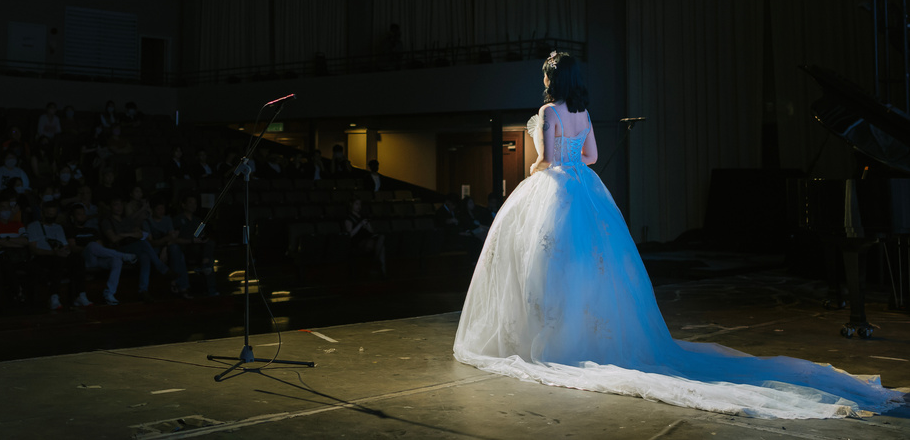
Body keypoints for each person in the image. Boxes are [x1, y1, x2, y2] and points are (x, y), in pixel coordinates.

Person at [452, 52, 905, 419]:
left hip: (552, 190)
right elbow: (588, 156)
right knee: (591, 269)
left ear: (552, 79)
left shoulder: (548, 110)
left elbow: (549, 160)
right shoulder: (584, 111)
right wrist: (568, 160)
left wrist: (532, 168)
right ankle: (580, 337)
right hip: (585, 191)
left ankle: (550, 340)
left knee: (545, 268)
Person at [28, 201, 88, 310]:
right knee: (58, 260)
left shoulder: (58, 227)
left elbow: (65, 245)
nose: (51, 217)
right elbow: (33, 249)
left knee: (78, 259)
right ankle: (53, 296)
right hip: (42, 256)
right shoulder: (33, 226)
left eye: (53, 215)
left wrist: (65, 251)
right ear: (43, 213)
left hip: (58, 254)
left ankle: (80, 294)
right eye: (49, 214)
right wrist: (53, 253)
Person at [344, 198, 385, 278]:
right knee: (377, 246)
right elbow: (350, 235)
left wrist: (367, 226)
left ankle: (382, 271)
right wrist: (360, 225)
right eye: (356, 204)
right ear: (351, 205)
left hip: (368, 239)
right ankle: (377, 267)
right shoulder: (349, 218)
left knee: (381, 242)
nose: (359, 206)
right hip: (357, 242)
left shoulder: (363, 217)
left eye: (360, 204)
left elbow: (372, 231)